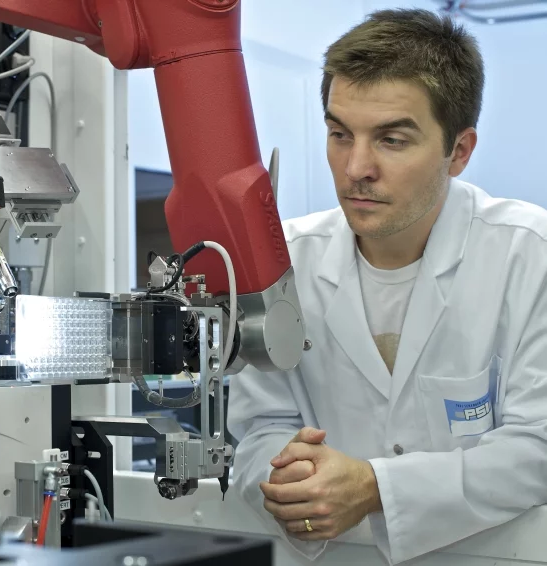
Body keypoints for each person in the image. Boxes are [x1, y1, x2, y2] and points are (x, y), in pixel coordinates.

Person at [228, 8, 547, 565]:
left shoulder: (528, 255)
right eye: (339, 134)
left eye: (392, 140)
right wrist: (292, 481)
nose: (356, 168)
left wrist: (375, 486)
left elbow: (537, 446)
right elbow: (259, 430)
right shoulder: (283, 261)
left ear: (459, 152)